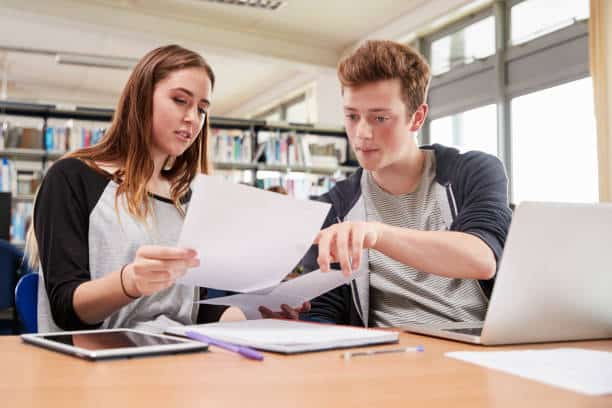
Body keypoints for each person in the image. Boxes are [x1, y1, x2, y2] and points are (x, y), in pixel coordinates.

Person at [261, 40, 512, 327]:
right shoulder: (336, 207)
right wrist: (301, 321)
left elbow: (481, 258)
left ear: (416, 118)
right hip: (386, 355)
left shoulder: (472, 171)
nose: (362, 133)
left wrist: (377, 235)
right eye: (352, 116)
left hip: (475, 346)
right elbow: (326, 310)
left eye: (380, 117)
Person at [26, 44, 231, 333]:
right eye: (180, 100)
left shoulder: (185, 198)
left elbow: (190, 309)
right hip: (98, 361)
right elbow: (65, 309)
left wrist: (259, 314)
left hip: (179, 355)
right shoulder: (72, 177)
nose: (192, 118)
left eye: (202, 109)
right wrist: (129, 282)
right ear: (141, 98)